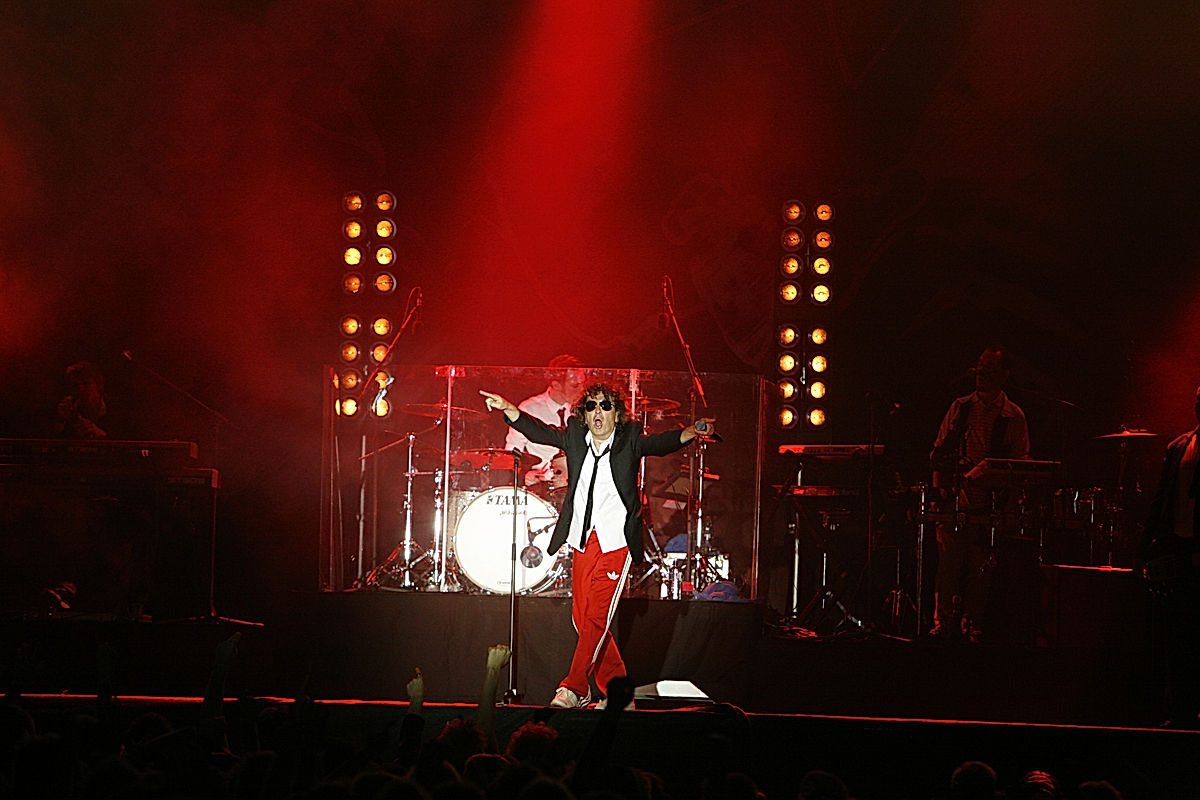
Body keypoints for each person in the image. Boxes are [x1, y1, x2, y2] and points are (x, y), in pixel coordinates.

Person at [480, 381, 712, 708]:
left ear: (617, 414)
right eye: (591, 407)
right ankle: (620, 694)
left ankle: (574, 687)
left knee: (597, 619)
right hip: (582, 538)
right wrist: (510, 410)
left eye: (605, 406)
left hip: (615, 539)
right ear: (583, 415)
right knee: (582, 617)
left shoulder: (628, 439)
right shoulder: (575, 437)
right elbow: (541, 432)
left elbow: (658, 444)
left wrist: (689, 433)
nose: (598, 412)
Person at [929, 346, 1030, 642]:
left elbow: (1020, 463)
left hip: (990, 504)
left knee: (980, 570)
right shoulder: (960, 407)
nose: (981, 373)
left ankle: (973, 624)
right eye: (979, 367)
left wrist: (1008, 506)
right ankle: (943, 621)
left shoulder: (1013, 415)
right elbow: (938, 453)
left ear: (1004, 375)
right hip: (954, 501)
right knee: (947, 566)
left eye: (989, 368)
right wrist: (938, 494)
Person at [1140, 384, 1200, 727]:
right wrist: (1148, 544)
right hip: (1180, 547)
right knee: (1177, 635)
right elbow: (1162, 498)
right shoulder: (1180, 446)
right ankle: (1178, 708)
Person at [503, 355, 587, 490]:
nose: (582, 390)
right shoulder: (529, 409)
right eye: (575, 385)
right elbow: (512, 452)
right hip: (541, 485)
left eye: (583, 383)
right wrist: (524, 474)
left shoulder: (583, 409)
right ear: (556, 385)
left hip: (577, 484)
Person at [54, 361, 108, 438]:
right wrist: (61, 419)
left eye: (86, 383)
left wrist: (101, 435)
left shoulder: (118, 409)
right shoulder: (71, 411)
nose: (81, 389)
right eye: (76, 385)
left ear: (98, 384)